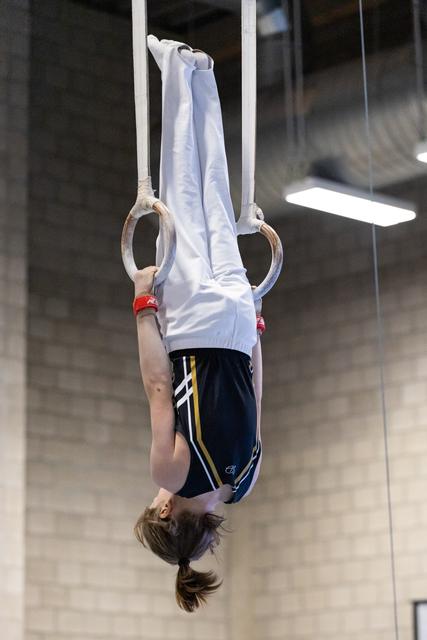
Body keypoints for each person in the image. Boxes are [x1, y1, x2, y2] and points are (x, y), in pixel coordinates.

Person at [132, 36, 264, 612]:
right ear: (166, 511)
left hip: (237, 325)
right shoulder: (173, 470)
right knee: (180, 190)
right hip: (190, 326)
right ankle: (174, 68)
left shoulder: (246, 481)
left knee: (215, 192)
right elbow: (159, 386)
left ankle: (204, 76)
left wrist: (255, 326)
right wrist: (144, 306)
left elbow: (258, 390)